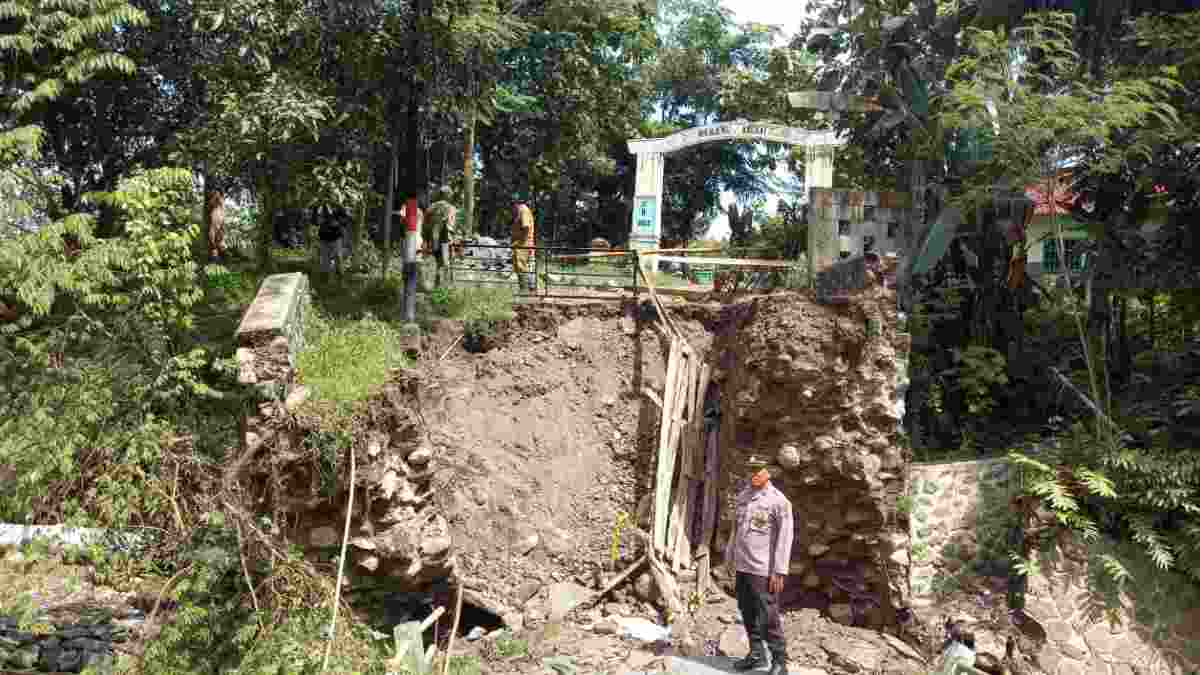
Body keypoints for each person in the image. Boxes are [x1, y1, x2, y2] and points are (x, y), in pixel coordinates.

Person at [724, 454, 794, 674]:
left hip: (763, 570)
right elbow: (736, 530)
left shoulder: (778, 501)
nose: (754, 474)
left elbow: (785, 538)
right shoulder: (743, 496)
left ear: (768, 472)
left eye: (759, 470)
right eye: (751, 470)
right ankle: (756, 654)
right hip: (743, 565)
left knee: (768, 615)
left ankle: (780, 661)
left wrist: (779, 571)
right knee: (746, 610)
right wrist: (729, 556)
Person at [424, 186, 458, 287]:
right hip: (445, 239)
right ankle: (446, 286)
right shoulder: (451, 208)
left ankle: (436, 284)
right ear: (446, 195)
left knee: (437, 263)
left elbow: (425, 225)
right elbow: (451, 226)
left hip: (433, 239)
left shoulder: (431, 207)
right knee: (446, 263)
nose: (451, 196)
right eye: (450, 194)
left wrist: (426, 239)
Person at [510, 195, 536, 291]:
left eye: (512, 206)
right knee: (525, 266)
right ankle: (530, 288)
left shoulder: (523, 210)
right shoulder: (522, 210)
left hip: (523, 244)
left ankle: (524, 289)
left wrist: (519, 241)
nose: (512, 209)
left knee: (521, 267)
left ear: (516, 204)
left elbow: (526, 227)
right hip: (523, 243)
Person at [315, 203, 345, 275]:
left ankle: (340, 274)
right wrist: (319, 220)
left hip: (335, 236)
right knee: (325, 258)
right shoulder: (320, 207)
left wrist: (338, 223)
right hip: (324, 237)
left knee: (337, 256)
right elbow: (316, 221)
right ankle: (325, 276)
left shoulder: (338, 207)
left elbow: (344, 219)